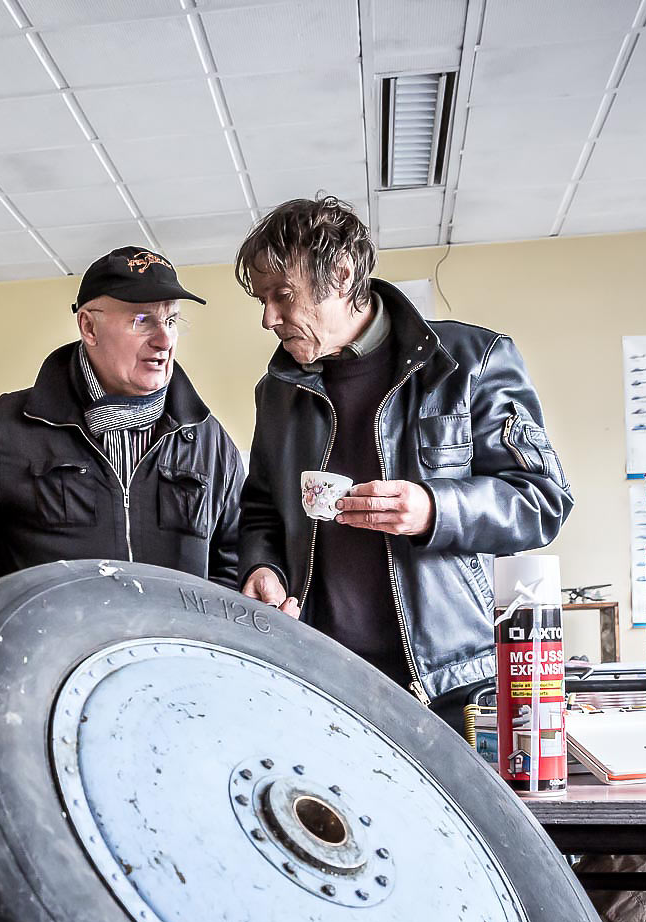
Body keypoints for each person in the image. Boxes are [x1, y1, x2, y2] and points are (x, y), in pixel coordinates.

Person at [234, 197, 572, 729]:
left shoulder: (471, 362)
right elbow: (259, 510)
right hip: (323, 685)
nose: (268, 318)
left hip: (454, 688)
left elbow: (541, 500)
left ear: (341, 276)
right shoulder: (277, 393)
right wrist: (263, 568)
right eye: (263, 298)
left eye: (282, 295)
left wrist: (434, 509)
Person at [0, 247, 245, 607]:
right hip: (46, 658)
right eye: (142, 320)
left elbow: (235, 560)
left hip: (170, 659)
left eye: (171, 321)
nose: (164, 339)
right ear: (89, 327)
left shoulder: (208, 441)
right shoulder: (11, 429)